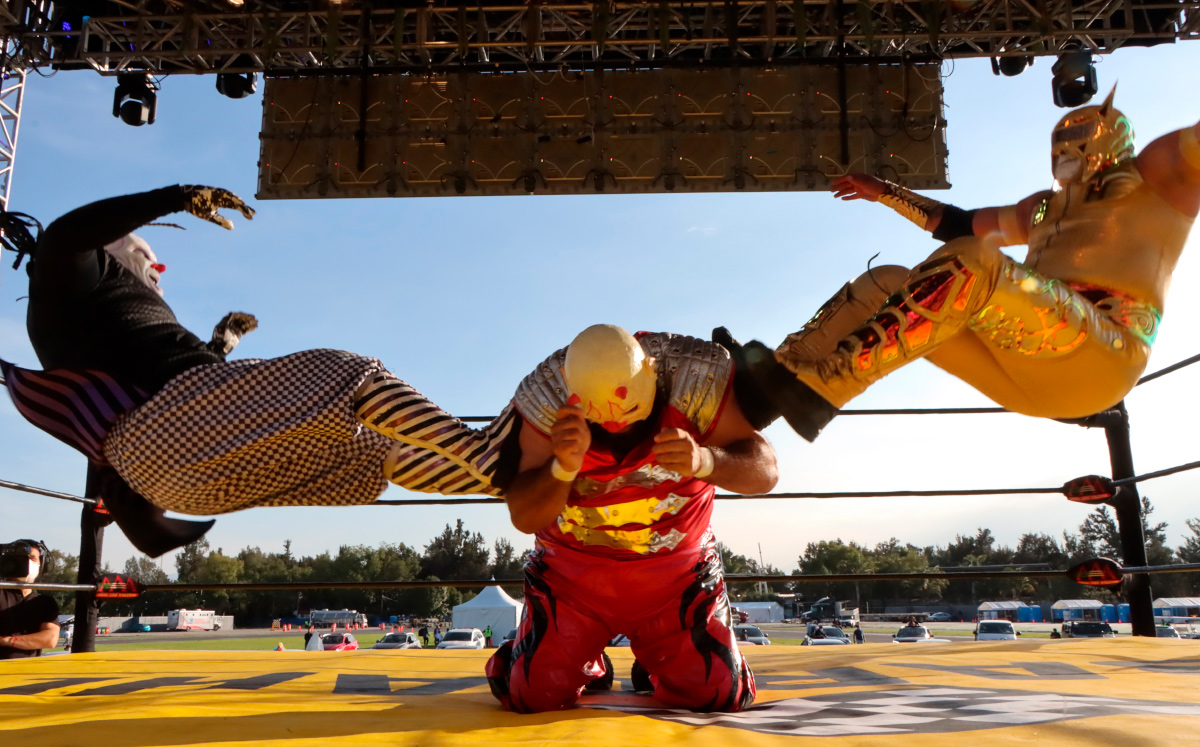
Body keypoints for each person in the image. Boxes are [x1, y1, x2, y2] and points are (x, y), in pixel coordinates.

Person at [0, 186, 523, 556]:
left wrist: (219, 344)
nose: (158, 271)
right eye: (146, 257)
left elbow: (164, 382)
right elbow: (65, 238)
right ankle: (484, 453)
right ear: (113, 247)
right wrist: (175, 197)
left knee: (374, 452)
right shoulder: (73, 280)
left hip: (183, 477)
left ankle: (514, 485)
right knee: (348, 373)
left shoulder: (95, 319)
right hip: (172, 429)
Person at [727, 89, 1200, 440]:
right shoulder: (1042, 207)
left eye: (1080, 137)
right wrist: (885, 193)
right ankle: (777, 379)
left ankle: (829, 385)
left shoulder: (1155, 177)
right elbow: (957, 224)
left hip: (1105, 354)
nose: (1067, 150)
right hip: (1029, 370)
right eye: (1062, 138)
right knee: (887, 281)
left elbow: (972, 250)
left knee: (979, 260)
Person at [485, 324, 777, 714]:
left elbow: (766, 470)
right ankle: (581, 659)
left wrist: (706, 460)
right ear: (570, 388)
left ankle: (660, 657)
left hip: (676, 577)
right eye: (598, 408)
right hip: (573, 580)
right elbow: (524, 515)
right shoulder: (548, 405)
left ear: (653, 372)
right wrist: (561, 468)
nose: (613, 420)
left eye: (625, 402)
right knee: (532, 694)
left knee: (717, 691)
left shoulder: (694, 386)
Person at [0, 540, 61, 659]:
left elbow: (50, 639)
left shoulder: (45, 602)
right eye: (22, 558)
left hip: (28, 672)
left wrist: (5, 640)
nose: (27, 563)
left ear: (42, 565)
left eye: (33, 558)